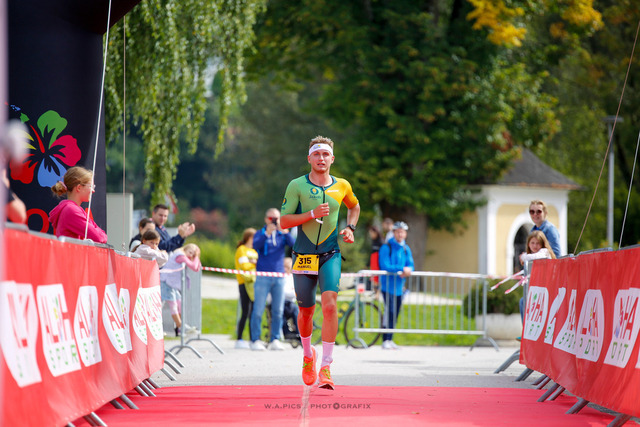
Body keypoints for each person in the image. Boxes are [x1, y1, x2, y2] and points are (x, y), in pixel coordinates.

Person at [280, 135, 360, 390]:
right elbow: (284, 221)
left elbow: (354, 207)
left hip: (330, 254)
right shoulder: (297, 185)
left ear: (332, 159)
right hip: (303, 256)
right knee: (306, 312)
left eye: (325, 154)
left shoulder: (342, 185)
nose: (321, 158)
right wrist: (311, 214)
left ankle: (326, 366)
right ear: (309, 158)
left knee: (330, 306)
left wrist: (350, 228)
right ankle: (308, 356)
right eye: (317, 154)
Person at [250, 208, 295, 351]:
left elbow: (294, 244)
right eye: (271, 219)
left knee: (278, 310)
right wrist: (267, 234)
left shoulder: (282, 235)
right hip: (263, 276)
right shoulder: (261, 233)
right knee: (258, 309)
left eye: (276, 219)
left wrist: (285, 231)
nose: (274, 221)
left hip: (279, 276)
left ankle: (275, 339)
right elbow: (255, 245)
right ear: (266, 219)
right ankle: (255, 339)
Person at [378, 221, 414, 350]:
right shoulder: (386, 247)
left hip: (399, 287)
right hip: (387, 286)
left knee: (395, 313)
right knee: (390, 312)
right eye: (398, 232)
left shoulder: (405, 248)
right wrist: (401, 269)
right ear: (393, 233)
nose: (400, 234)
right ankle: (385, 340)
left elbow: (411, 264)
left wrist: (409, 269)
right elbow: (385, 265)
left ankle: (390, 339)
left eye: (402, 232)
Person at [49, 166, 107, 243]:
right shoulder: (71, 210)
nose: (93, 191)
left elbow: (102, 236)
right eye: (91, 186)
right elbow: (100, 237)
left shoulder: (73, 209)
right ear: (79, 188)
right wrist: (100, 234)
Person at [159, 243, 202, 336]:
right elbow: (194, 267)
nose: (190, 255)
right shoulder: (180, 255)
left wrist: (196, 257)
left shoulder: (181, 255)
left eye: (193, 254)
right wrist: (196, 257)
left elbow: (197, 268)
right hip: (166, 282)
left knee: (179, 303)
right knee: (173, 305)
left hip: (171, 284)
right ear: (185, 249)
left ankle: (180, 326)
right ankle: (181, 327)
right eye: (190, 252)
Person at [519, 230, 556, 323]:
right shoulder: (531, 256)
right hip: (537, 290)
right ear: (528, 244)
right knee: (523, 302)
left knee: (524, 302)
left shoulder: (545, 252)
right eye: (532, 243)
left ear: (542, 244)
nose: (535, 246)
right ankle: (526, 327)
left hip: (547, 290)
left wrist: (523, 257)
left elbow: (534, 257)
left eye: (538, 243)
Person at [234, 228, 258, 349]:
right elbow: (244, 265)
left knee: (253, 312)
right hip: (244, 282)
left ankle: (252, 338)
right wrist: (254, 262)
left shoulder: (254, 250)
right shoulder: (241, 249)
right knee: (245, 311)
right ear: (249, 237)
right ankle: (239, 338)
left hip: (254, 282)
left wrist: (252, 261)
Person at [282, 257, 300, 341]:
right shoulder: (280, 277)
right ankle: (286, 333)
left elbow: (295, 293)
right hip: (281, 302)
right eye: (284, 267)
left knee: (296, 311)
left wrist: (290, 292)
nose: (286, 269)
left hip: (290, 303)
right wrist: (291, 292)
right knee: (280, 310)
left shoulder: (292, 278)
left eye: (288, 267)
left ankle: (299, 334)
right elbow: (283, 292)